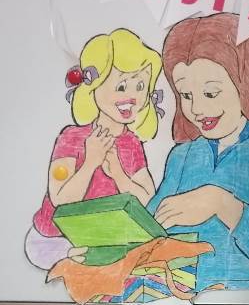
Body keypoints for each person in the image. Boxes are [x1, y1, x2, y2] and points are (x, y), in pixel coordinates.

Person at [147, 12, 249, 291]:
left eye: (210, 93)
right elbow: (148, 230)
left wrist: (225, 205)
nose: (197, 109)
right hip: (183, 301)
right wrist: (105, 253)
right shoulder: (181, 157)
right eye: (186, 95)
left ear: (245, 84)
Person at [26, 29, 162, 270]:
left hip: (104, 242)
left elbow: (148, 201)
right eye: (122, 86)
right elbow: (60, 200)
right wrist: (90, 163)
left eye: (141, 85)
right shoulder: (72, 138)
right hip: (53, 240)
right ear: (94, 88)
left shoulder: (132, 144)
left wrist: (119, 174)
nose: (132, 97)